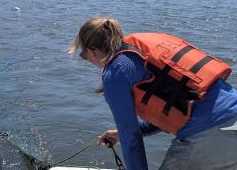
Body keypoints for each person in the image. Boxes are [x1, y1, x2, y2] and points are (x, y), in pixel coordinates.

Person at [69, 17, 237, 170]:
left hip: (210, 134)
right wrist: (121, 134)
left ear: (93, 50)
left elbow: (131, 140)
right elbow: (178, 106)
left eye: (83, 55)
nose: (87, 59)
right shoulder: (144, 50)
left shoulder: (115, 73)